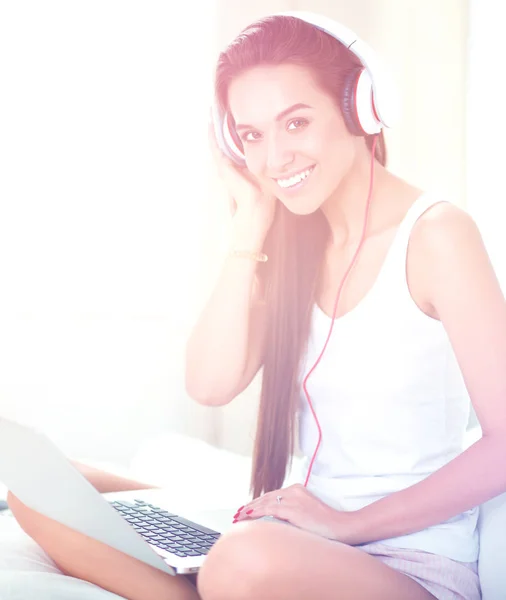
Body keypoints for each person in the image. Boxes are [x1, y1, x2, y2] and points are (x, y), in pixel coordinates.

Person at [7, 11, 506, 600]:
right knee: (41, 488)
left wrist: (347, 525)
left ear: (361, 109)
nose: (275, 158)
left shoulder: (438, 235)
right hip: (298, 540)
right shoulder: (293, 244)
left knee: (242, 561)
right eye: (252, 136)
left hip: (408, 563)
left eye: (295, 123)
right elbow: (210, 384)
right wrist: (250, 225)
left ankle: (218, 582)